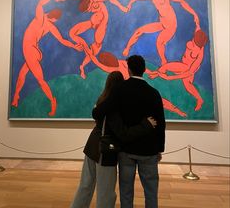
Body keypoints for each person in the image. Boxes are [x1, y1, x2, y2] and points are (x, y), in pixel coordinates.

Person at [70, 71, 157, 208]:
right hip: (105, 151)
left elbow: (97, 115)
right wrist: (145, 125)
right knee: (106, 193)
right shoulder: (115, 106)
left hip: (91, 147)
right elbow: (123, 133)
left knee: (85, 186)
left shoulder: (102, 99)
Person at [11, 0, 80, 116]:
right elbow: (63, 40)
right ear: (54, 19)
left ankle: (53, 101)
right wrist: (74, 45)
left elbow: (40, 3)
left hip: (30, 50)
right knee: (22, 73)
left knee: (40, 80)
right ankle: (16, 97)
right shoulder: (48, 24)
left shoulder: (41, 19)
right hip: (34, 50)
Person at [114, 55, 166, 208]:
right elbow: (161, 124)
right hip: (149, 150)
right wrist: (159, 149)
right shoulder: (154, 93)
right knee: (151, 192)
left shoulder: (120, 90)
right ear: (144, 70)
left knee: (126, 191)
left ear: (128, 69)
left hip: (126, 148)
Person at [123, 0, 200, 65]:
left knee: (159, 42)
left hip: (170, 27)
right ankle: (127, 48)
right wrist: (129, 4)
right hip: (162, 24)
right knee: (139, 31)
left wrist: (194, 14)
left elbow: (181, 1)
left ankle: (164, 61)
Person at [65, 0, 128, 78]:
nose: (91, 10)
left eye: (90, 8)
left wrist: (121, 7)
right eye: (89, 10)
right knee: (72, 33)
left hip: (101, 23)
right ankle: (83, 44)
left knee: (96, 48)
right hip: (93, 21)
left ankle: (82, 66)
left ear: (91, 2)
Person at [147, 29, 208, 111]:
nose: (193, 44)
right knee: (187, 84)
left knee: (187, 84)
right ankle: (156, 73)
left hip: (186, 68)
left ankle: (200, 100)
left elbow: (189, 72)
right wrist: (194, 15)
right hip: (183, 64)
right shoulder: (198, 35)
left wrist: (170, 78)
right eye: (193, 41)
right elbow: (197, 25)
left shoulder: (199, 56)